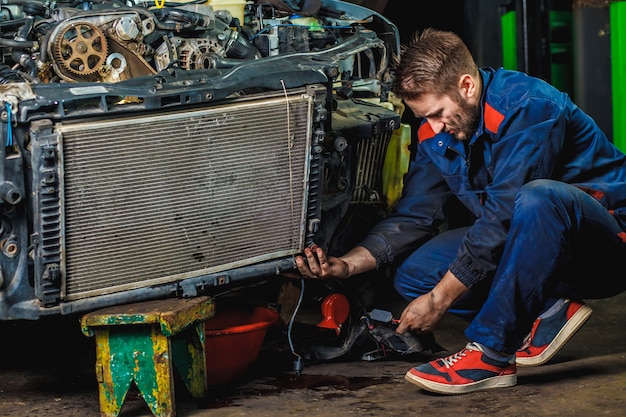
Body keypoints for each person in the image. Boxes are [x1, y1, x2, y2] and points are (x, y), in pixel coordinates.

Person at [294, 28, 626, 395]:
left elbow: (503, 217)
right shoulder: (435, 132)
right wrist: (347, 264)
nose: (434, 128)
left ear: (466, 86)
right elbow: (413, 216)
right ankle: (545, 309)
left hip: (604, 247)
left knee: (538, 198)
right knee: (415, 275)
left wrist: (440, 300)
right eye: (424, 118)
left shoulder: (528, 106)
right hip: (531, 249)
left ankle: (492, 354)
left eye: (437, 113)